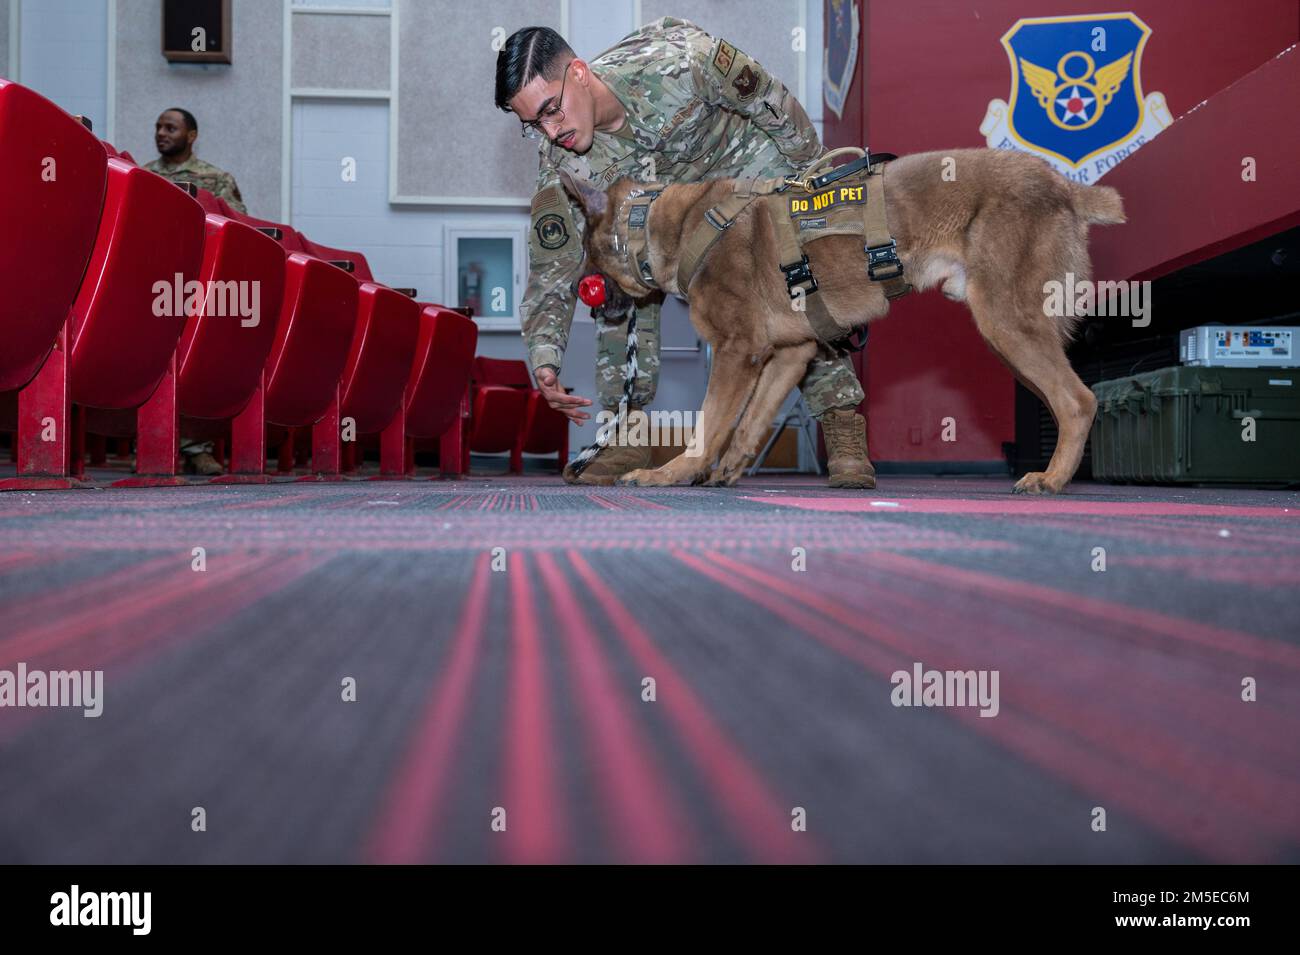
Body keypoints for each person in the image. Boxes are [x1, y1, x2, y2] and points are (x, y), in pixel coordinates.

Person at [496, 19, 875, 487]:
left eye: (551, 111)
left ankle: (842, 427)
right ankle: (625, 436)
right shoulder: (563, 163)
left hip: (744, 169)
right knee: (616, 277)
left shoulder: (677, 59)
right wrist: (546, 357)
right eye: (532, 124)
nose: (550, 132)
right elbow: (552, 266)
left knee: (791, 287)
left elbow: (769, 101)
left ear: (578, 72)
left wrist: (814, 182)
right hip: (665, 219)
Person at [145, 108, 247, 214]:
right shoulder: (144, 174)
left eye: (170, 129)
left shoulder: (218, 178)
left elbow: (234, 221)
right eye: (158, 128)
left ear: (191, 136)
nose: (160, 133)